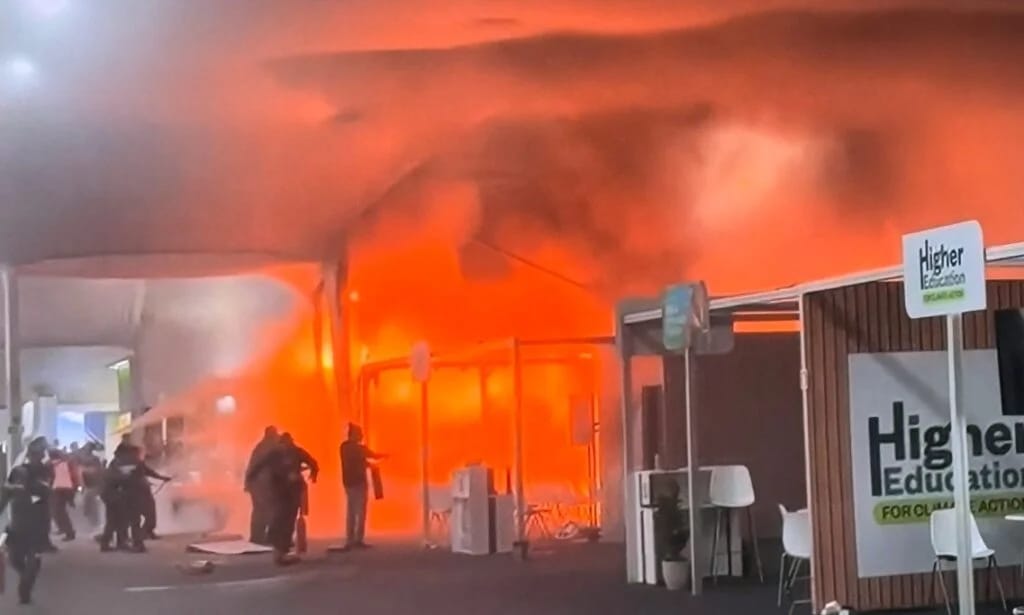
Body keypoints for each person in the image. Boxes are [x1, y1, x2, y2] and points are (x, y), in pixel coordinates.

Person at [248, 432, 318, 565]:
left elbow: (313, 462)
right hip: (282, 492)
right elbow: (258, 466)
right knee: (281, 519)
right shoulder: (278, 454)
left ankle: (281, 550)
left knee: (286, 520)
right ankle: (280, 549)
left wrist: (313, 474)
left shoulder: (284, 453)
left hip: (288, 493)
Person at [0, 437, 53, 604]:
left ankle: (25, 588)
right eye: (34, 453)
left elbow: (44, 492)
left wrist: (25, 488)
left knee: (33, 557)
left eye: (40, 453)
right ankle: (26, 577)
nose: (37, 456)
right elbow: (6, 493)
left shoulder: (45, 472)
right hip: (18, 521)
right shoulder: (18, 471)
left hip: (38, 522)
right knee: (15, 557)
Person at [339, 423, 385, 550]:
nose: (362, 436)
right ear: (354, 435)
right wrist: (385, 456)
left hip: (348, 483)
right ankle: (358, 540)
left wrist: (368, 464)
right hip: (358, 483)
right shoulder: (357, 448)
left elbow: (359, 461)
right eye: (359, 434)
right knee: (360, 512)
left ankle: (350, 539)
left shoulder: (344, 447)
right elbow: (372, 455)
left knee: (351, 512)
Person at [244, 426, 279, 545]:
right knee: (263, 511)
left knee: (263, 510)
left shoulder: (262, 447)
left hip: (259, 485)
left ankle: (259, 536)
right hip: (261, 485)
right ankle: (259, 537)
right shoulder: (267, 448)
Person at [48, 446, 79, 541]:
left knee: (58, 512)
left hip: (59, 489)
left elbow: (52, 478)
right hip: (65, 489)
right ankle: (65, 530)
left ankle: (69, 532)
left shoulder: (53, 464)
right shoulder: (64, 463)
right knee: (59, 512)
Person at [74, 442, 105, 530]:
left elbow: (97, 471)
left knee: (90, 502)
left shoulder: (94, 459)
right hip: (90, 484)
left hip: (94, 484)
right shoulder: (86, 459)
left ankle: (94, 523)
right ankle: (93, 522)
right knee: (88, 503)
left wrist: (84, 470)